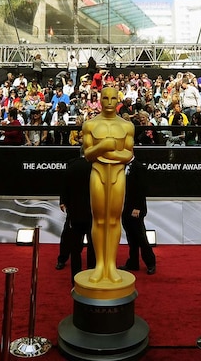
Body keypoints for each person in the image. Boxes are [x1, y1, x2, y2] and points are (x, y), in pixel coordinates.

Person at [82, 86, 135, 285]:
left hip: (118, 174)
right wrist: (104, 146)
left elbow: (128, 154)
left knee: (114, 219)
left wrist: (106, 152)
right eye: (106, 98)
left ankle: (111, 265)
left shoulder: (127, 126)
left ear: (118, 100)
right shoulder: (89, 125)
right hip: (98, 172)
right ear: (100, 100)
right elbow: (87, 154)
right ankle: (100, 265)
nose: (110, 102)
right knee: (99, 220)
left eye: (114, 98)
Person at [56, 155, 96, 281]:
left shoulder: (71, 165)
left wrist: (63, 201)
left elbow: (64, 185)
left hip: (75, 212)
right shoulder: (96, 166)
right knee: (93, 243)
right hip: (93, 212)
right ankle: (92, 271)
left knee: (73, 244)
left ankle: (74, 275)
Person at [120, 158, 156, 275]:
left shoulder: (139, 167)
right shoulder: (122, 167)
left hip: (136, 208)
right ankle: (133, 262)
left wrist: (138, 208)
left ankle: (150, 262)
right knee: (131, 237)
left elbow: (142, 189)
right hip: (125, 207)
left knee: (140, 236)